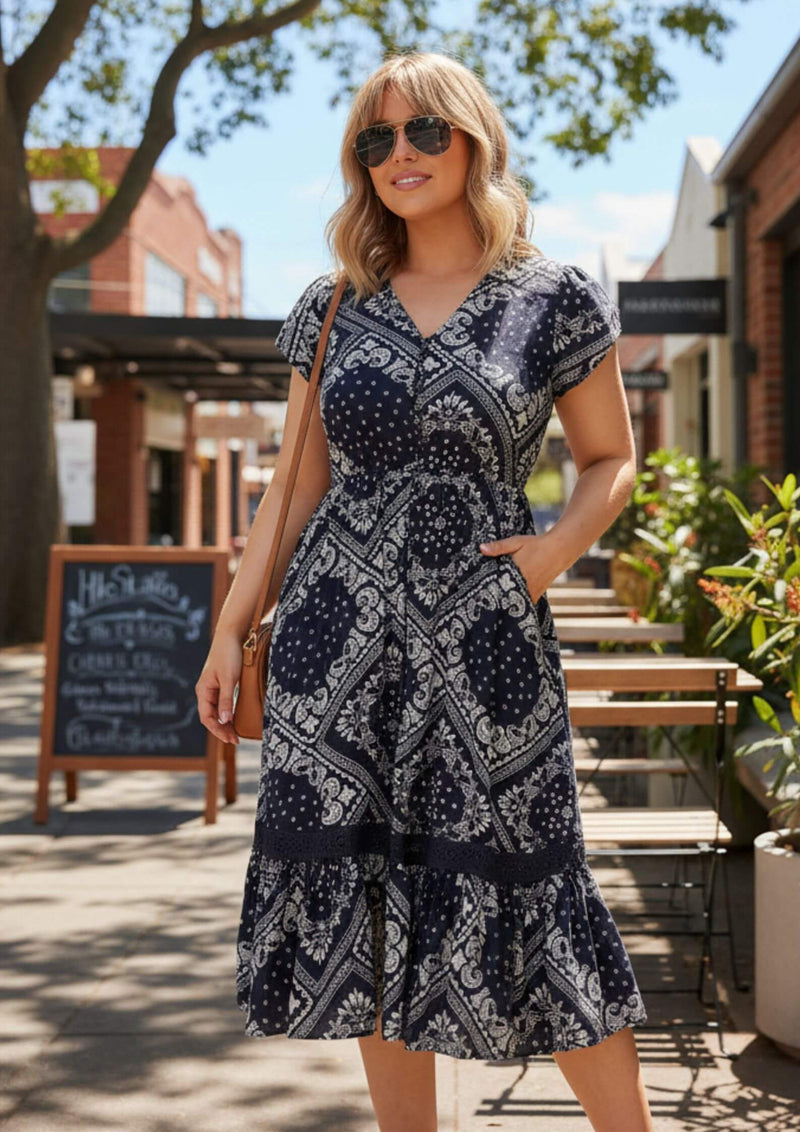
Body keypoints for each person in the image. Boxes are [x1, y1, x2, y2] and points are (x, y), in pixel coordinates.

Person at [196, 48, 654, 1132]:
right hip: (332, 646)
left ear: (471, 139)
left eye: (421, 132)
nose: (397, 156)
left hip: (487, 646)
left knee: (535, 881)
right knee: (364, 909)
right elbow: (293, 487)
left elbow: (612, 459)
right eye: (374, 141)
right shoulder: (331, 303)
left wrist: (550, 555)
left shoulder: (549, 297)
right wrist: (229, 630)